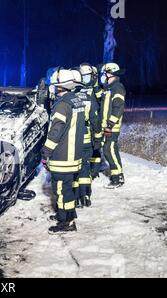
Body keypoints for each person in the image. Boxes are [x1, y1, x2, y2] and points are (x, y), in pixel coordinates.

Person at [42, 69, 87, 233]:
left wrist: (46, 150)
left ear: (61, 86)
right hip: (74, 155)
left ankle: (66, 222)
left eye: (54, 86)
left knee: (61, 190)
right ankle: (66, 214)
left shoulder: (62, 104)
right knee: (68, 188)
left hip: (62, 156)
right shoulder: (76, 100)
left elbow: (55, 131)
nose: (52, 88)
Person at [75, 64, 103, 207]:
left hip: (72, 140)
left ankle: (75, 197)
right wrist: (98, 136)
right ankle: (85, 195)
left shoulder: (70, 96)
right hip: (86, 138)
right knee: (85, 167)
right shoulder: (88, 98)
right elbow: (95, 120)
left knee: (74, 168)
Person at [99, 63, 126, 189]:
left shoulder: (118, 88)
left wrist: (110, 124)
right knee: (108, 149)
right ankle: (116, 176)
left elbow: (118, 108)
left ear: (110, 73)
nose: (103, 76)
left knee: (109, 149)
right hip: (107, 126)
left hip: (112, 127)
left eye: (105, 73)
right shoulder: (108, 88)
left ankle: (118, 177)